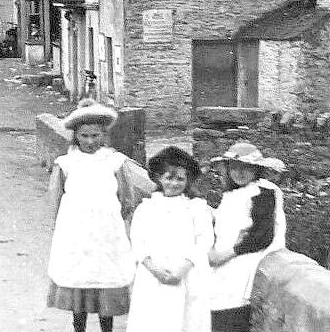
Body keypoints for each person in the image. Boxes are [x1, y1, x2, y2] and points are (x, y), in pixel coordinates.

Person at [47, 99, 137, 332]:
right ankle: (79, 327)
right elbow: (56, 201)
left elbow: (127, 199)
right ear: (76, 136)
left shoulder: (115, 162)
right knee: (80, 283)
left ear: (104, 135)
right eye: (84, 136)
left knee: (105, 283)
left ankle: (107, 328)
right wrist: (62, 229)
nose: (89, 141)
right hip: (77, 235)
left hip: (107, 235)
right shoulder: (66, 164)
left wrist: (115, 224)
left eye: (95, 136)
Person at [126, 146, 213, 332]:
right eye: (169, 178)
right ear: (159, 178)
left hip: (186, 275)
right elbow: (138, 242)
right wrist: (154, 269)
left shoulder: (197, 208)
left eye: (180, 179)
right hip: (153, 276)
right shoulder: (146, 208)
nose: (174, 183)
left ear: (188, 180)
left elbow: (204, 241)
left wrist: (183, 269)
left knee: (185, 321)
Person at [207, 142, 286, 332]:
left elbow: (262, 234)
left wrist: (227, 253)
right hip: (223, 262)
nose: (240, 172)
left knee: (230, 313)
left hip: (244, 261)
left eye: (246, 167)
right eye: (234, 167)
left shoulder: (263, 191)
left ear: (256, 169)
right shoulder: (233, 194)